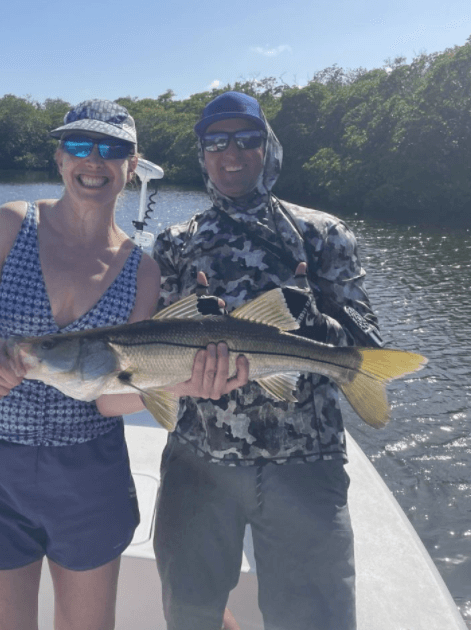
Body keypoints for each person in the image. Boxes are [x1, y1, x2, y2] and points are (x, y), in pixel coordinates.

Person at [0, 98, 248, 630]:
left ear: (132, 166)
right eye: (80, 145)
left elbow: (110, 398)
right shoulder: (13, 223)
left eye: (113, 149)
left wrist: (187, 385)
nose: (94, 160)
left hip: (87, 473)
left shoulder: (141, 269)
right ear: (60, 157)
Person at [152, 91, 382, 630]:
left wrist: (315, 323)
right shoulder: (174, 243)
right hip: (198, 459)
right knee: (188, 613)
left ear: (268, 146)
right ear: (203, 153)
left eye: (247, 138)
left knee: (314, 621)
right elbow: (155, 355)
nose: (232, 153)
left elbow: (368, 340)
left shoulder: (322, 234)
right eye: (217, 141)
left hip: (306, 460)